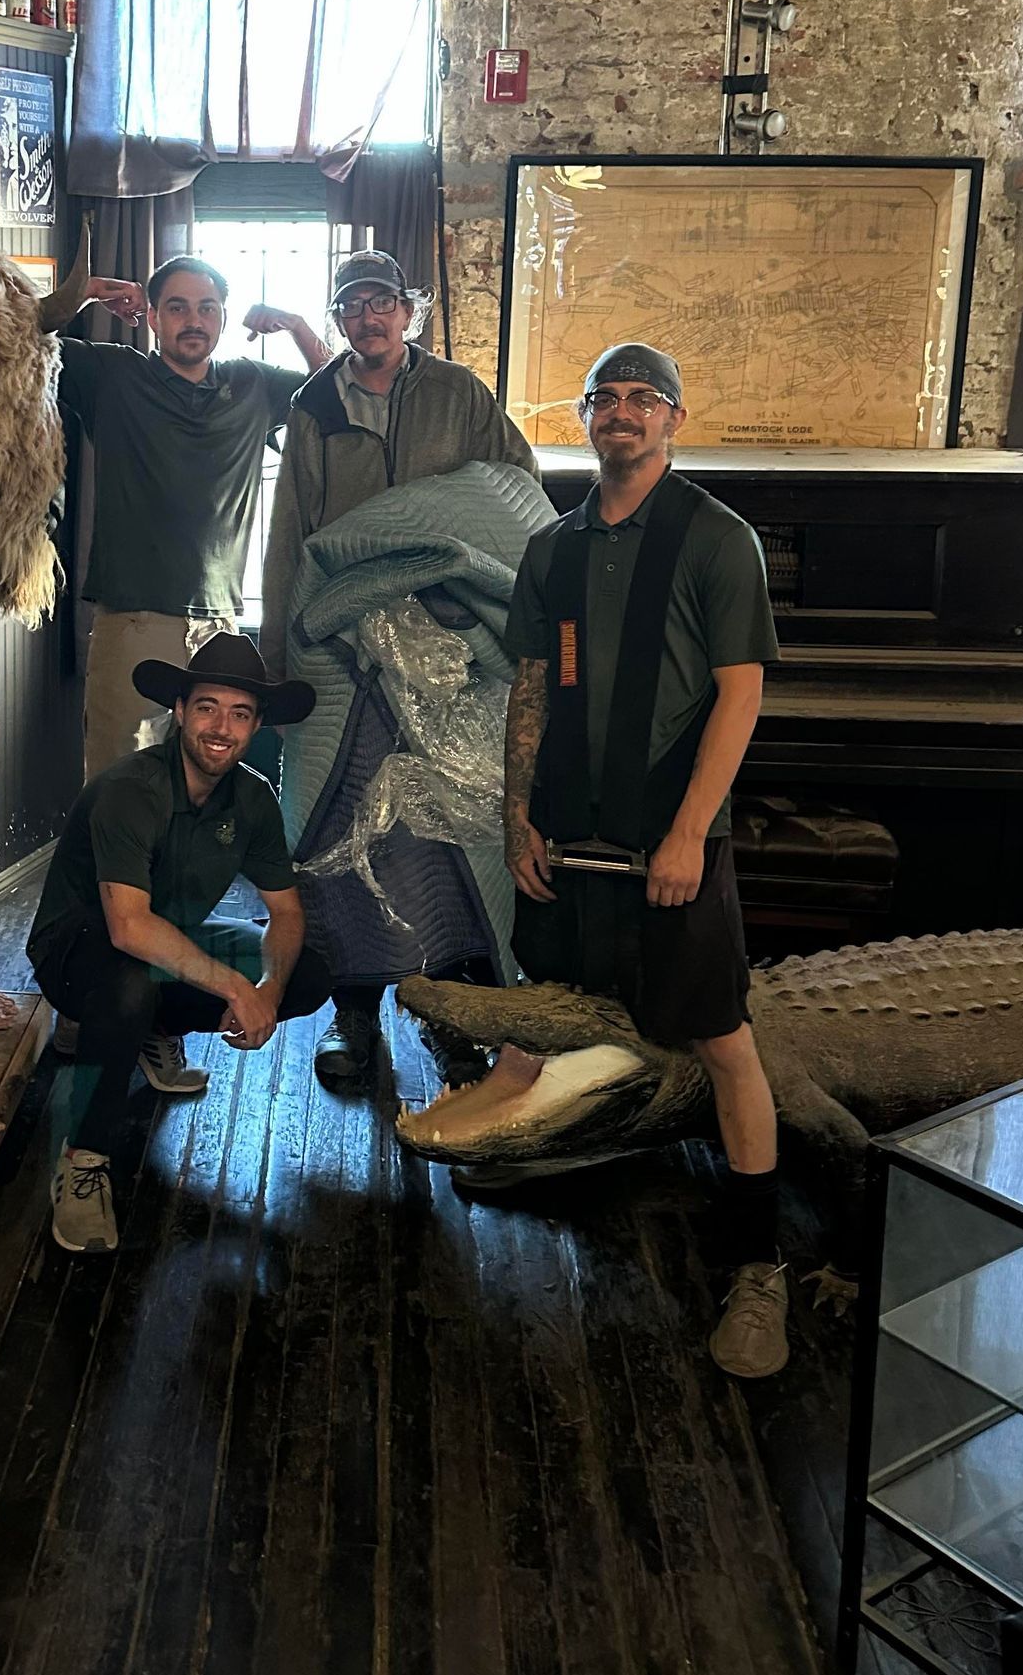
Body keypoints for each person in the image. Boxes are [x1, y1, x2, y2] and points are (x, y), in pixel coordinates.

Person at [455, 343, 788, 1378]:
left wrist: (690, 831)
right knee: (537, 1012)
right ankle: (509, 1143)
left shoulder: (717, 539)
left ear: (674, 419)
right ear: (588, 416)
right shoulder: (551, 548)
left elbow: (740, 693)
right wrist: (517, 818)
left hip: (670, 839)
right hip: (565, 832)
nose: (623, 413)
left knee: (724, 1043)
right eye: (607, 397)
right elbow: (529, 688)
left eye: (645, 399)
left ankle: (759, 1265)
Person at [260, 248, 539, 1091]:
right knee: (344, 831)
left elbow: (515, 488)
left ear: (408, 313)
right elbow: (292, 531)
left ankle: (455, 1023)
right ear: (340, 320)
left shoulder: (459, 394)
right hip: (349, 654)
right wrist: (280, 658)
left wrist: (464, 573)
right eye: (353, 306)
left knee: (453, 839)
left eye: (382, 302)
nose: (369, 318)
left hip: (452, 649)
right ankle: (353, 1017)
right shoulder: (314, 405)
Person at [27, 633, 332, 1253]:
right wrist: (235, 987)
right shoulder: (131, 789)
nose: (222, 727)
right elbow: (127, 927)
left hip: (167, 941)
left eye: (240, 713)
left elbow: (285, 912)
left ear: (257, 726)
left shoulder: (252, 797)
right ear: (179, 711)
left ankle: (153, 1031)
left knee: (310, 975)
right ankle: (83, 1161)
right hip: (76, 950)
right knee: (127, 985)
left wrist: (269, 990)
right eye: (207, 708)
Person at [56, 255, 326, 784]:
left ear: (223, 316)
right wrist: (83, 292)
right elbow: (15, 339)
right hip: (134, 620)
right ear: (153, 317)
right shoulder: (112, 374)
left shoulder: (253, 384)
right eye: (177, 308)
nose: (194, 320)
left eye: (207, 308)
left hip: (219, 627)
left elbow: (338, 388)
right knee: (119, 786)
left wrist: (296, 326)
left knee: (205, 787)